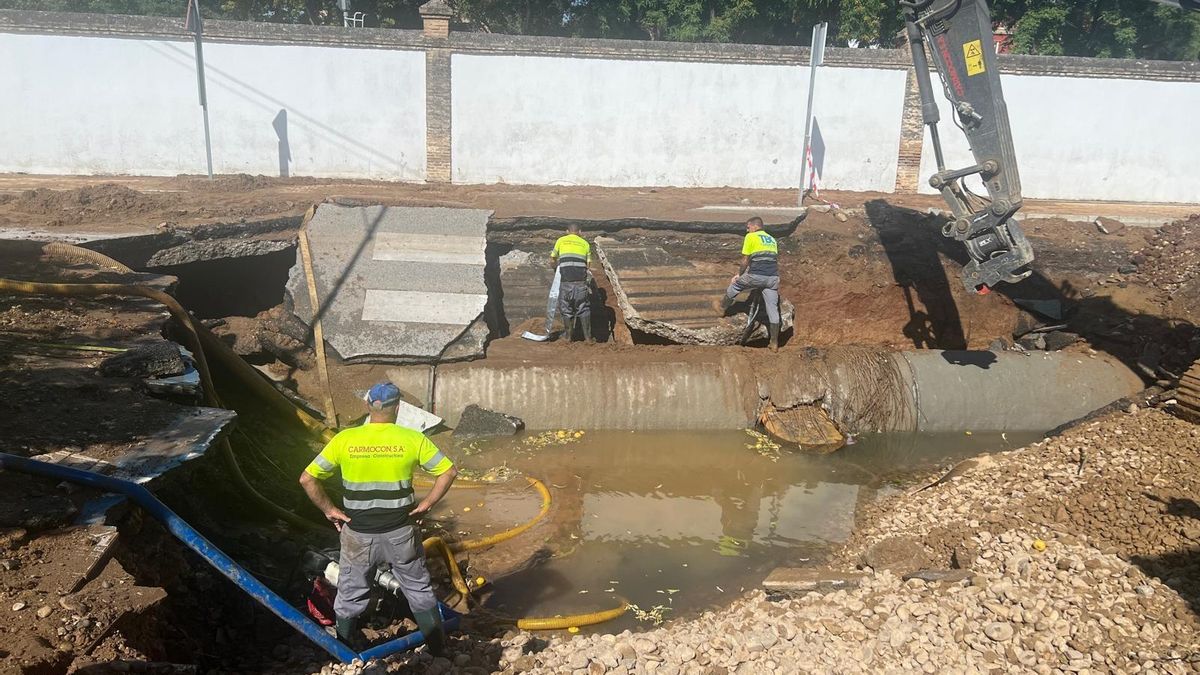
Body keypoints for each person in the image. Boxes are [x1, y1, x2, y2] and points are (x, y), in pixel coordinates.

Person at [298, 382, 458, 654]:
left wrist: (330, 510)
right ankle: (438, 649)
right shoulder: (412, 439)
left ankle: (346, 654)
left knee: (351, 593)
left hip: (358, 534)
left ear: (368, 405)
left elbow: (307, 478)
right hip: (401, 532)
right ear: (398, 407)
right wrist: (426, 504)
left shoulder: (345, 440)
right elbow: (449, 472)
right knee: (418, 590)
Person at [721, 217, 782, 352]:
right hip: (772, 278)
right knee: (773, 309)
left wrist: (739, 275)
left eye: (748, 227)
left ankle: (722, 308)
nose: (747, 230)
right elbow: (767, 261)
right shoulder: (772, 239)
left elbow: (745, 260)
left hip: (756, 276)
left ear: (755, 226)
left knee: (735, 285)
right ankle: (774, 343)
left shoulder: (751, 237)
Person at [550, 224, 594, 343]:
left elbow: (552, 258)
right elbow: (588, 265)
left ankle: (568, 337)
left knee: (566, 309)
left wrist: (555, 268)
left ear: (567, 231)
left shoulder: (561, 241)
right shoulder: (585, 243)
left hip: (566, 282)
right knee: (583, 309)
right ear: (580, 231)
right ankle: (588, 338)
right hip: (580, 283)